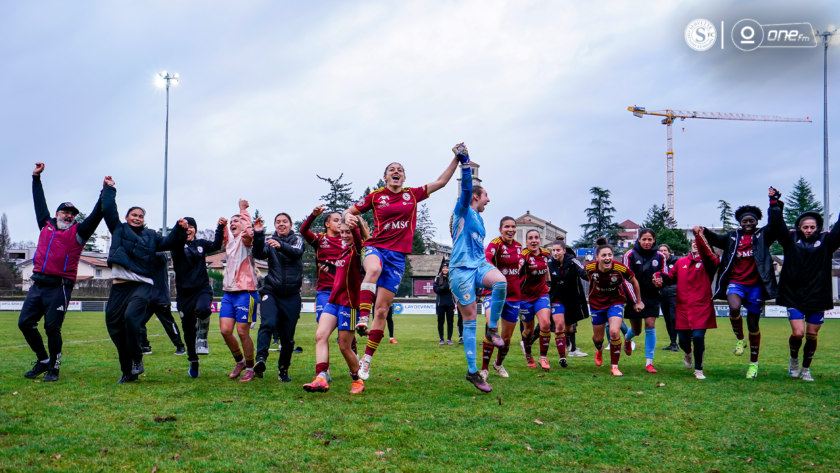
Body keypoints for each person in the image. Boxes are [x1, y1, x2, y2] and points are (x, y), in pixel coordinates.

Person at [344, 150, 460, 380]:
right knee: (373, 269)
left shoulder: (412, 194)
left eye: (400, 170)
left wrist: (457, 158)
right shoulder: (376, 196)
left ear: (404, 178)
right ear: (385, 177)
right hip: (375, 247)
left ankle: (366, 362)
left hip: (398, 257)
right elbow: (350, 211)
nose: (396, 172)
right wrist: (346, 216)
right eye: (391, 170)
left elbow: (442, 182)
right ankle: (362, 319)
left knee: (383, 310)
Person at [19, 162, 105, 382]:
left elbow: (96, 215)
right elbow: (39, 202)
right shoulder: (45, 224)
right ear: (57, 214)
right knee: (24, 323)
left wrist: (104, 191)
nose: (68, 216)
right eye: (65, 212)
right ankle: (43, 360)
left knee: (52, 327)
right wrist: (36, 178)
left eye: (72, 214)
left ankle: (54, 368)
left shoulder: (79, 232)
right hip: (38, 284)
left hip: (60, 287)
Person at [101, 177, 188, 383]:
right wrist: (110, 189)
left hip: (141, 286)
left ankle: (138, 358)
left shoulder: (151, 235)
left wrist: (179, 229)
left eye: (141, 216)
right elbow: (108, 210)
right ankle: (128, 372)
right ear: (127, 216)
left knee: (132, 319)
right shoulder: (119, 229)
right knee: (115, 328)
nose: (138, 218)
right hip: (119, 288)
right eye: (134, 215)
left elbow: (168, 242)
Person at [447, 143, 509, 392]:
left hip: (479, 265)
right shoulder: (462, 208)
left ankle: (492, 328)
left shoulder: (480, 218)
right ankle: (473, 372)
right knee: (470, 319)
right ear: (475, 196)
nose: (489, 199)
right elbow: (464, 188)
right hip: (461, 270)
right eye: (486, 195)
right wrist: (465, 162)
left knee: (501, 281)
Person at [767, 187, 840, 382]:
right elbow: (777, 224)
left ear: (818, 228)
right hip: (794, 295)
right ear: (799, 227)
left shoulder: (827, 241)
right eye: (805, 227)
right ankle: (793, 360)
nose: (808, 230)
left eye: (812, 227)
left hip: (818, 295)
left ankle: (806, 369)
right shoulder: (790, 239)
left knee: (811, 334)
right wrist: (774, 203)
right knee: (798, 332)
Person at [703, 202, 777, 379]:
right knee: (734, 308)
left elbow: (775, 225)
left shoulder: (763, 236)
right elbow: (715, 239)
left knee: (754, 326)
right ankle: (740, 339)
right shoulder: (732, 237)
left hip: (756, 286)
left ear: (757, 221)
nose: (748, 223)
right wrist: (703, 230)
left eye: (752, 220)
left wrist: (774, 204)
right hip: (736, 283)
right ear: (740, 222)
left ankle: (753, 364)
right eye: (745, 221)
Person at [303, 214, 369, 394]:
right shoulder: (341, 249)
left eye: (348, 232)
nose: (344, 235)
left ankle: (357, 380)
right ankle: (321, 377)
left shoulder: (357, 249)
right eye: (342, 232)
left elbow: (357, 239)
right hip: (333, 300)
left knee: (344, 346)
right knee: (320, 335)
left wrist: (353, 226)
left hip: (349, 303)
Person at [654, 229, 719, 380]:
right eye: (694, 242)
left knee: (697, 337)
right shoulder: (681, 262)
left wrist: (699, 236)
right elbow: (670, 278)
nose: (696, 243)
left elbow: (707, 254)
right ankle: (688, 353)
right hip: (683, 307)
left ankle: (699, 369)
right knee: (683, 341)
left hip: (702, 307)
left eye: (700, 242)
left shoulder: (711, 262)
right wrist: (659, 277)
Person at [170, 216, 226, 378]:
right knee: (188, 330)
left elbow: (216, 245)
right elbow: (174, 240)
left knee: (203, 310)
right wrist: (178, 230)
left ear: (195, 229)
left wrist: (220, 228)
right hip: (184, 293)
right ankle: (193, 361)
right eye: (185, 227)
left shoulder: (200, 244)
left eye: (191, 227)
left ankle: (202, 337)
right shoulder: (176, 245)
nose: (188, 230)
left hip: (202, 289)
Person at [253, 211, 305, 382]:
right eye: (278, 222)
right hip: (271, 292)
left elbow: (297, 253)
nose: (281, 224)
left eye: (284, 221)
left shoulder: (297, 240)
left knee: (288, 339)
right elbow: (259, 253)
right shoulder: (270, 241)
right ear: (275, 226)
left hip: (291, 296)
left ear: (290, 225)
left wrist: (280, 245)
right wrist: (259, 234)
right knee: (267, 323)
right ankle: (260, 360)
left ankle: (283, 369)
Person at [585, 238, 643, 377]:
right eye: (604, 255)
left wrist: (639, 301)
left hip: (615, 302)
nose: (607, 258)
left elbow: (635, 282)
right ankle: (598, 350)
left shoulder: (620, 268)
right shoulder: (589, 268)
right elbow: (589, 280)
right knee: (598, 339)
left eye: (609, 255)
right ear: (597, 257)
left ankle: (614, 366)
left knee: (614, 332)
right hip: (596, 304)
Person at [219, 199, 260, 382]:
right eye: (232, 221)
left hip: (246, 291)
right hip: (229, 293)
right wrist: (222, 226)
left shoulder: (246, 241)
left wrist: (242, 211)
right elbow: (224, 238)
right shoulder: (230, 243)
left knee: (243, 332)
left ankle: (251, 368)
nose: (234, 223)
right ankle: (240, 361)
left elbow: (248, 232)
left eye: (237, 221)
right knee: (225, 331)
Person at [621, 229, 670, 373]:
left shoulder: (660, 256)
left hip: (652, 296)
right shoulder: (629, 255)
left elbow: (664, 274)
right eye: (644, 239)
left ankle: (649, 363)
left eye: (650, 239)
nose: (647, 242)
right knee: (637, 330)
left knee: (650, 324)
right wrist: (636, 300)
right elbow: (626, 280)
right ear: (639, 240)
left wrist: (660, 281)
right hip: (633, 296)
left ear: (654, 240)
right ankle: (628, 338)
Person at [480, 217, 523, 377]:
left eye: (513, 226)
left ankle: (498, 364)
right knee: (493, 330)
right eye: (507, 227)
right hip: (494, 293)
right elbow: (486, 259)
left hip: (513, 296)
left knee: (506, 337)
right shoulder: (495, 244)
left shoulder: (519, 247)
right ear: (500, 229)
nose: (510, 229)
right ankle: (484, 369)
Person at [547, 239, 589, 367]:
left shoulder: (572, 261)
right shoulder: (549, 264)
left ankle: (567, 340)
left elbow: (584, 273)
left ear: (564, 251)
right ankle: (562, 357)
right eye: (553, 250)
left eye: (558, 250)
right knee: (559, 326)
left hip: (571, 300)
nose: (555, 253)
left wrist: (594, 278)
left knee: (569, 329)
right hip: (556, 300)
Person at [139, 252, 186, 356]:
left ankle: (180, 346)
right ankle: (145, 346)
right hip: (147, 299)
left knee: (169, 324)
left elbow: (161, 255)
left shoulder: (160, 256)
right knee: (138, 323)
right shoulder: (144, 260)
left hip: (161, 299)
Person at [519, 230, 553, 372]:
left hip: (541, 294)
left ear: (540, 240)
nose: (534, 240)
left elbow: (545, 268)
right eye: (530, 238)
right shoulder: (523, 255)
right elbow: (517, 268)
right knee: (528, 330)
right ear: (526, 242)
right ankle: (528, 353)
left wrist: (549, 282)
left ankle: (543, 357)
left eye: (536, 238)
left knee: (545, 323)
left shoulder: (545, 253)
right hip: (525, 297)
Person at [657, 243, 679, 351]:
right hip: (663, 294)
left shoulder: (676, 262)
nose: (663, 252)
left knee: (674, 318)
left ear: (669, 252)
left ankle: (676, 342)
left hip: (674, 294)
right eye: (660, 250)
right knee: (667, 319)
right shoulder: (657, 264)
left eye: (665, 250)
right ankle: (672, 342)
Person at [434, 261, 456, 345]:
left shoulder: (452, 278)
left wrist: (449, 288)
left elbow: (454, 289)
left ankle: (449, 339)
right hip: (440, 304)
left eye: (447, 268)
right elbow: (436, 289)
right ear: (441, 269)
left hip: (450, 303)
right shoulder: (437, 278)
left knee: (450, 322)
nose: (445, 269)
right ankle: (441, 339)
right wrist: (443, 287)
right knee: (440, 321)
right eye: (444, 268)